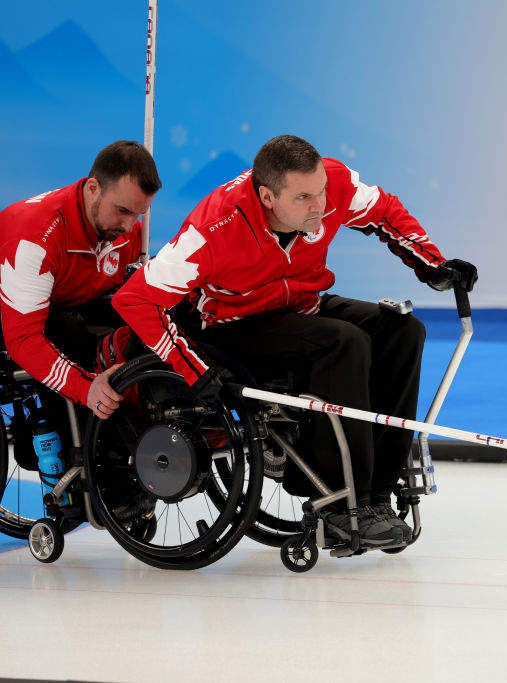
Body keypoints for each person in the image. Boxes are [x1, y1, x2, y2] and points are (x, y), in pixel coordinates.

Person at [113, 134, 477, 549]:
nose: (320, 205)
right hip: (233, 325)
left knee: (404, 329)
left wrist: (432, 263)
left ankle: (375, 495)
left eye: (320, 191)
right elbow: (136, 299)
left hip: (301, 306)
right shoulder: (214, 227)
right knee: (343, 342)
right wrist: (191, 367)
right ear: (267, 196)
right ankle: (341, 505)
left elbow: (385, 212)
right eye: (304, 197)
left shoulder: (333, 183)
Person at [0, 141, 161, 424]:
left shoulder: (127, 231)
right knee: (67, 332)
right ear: (93, 189)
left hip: (70, 301)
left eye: (139, 213)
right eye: (123, 210)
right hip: (15, 317)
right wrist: (86, 388)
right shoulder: (34, 238)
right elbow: (23, 338)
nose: (128, 225)